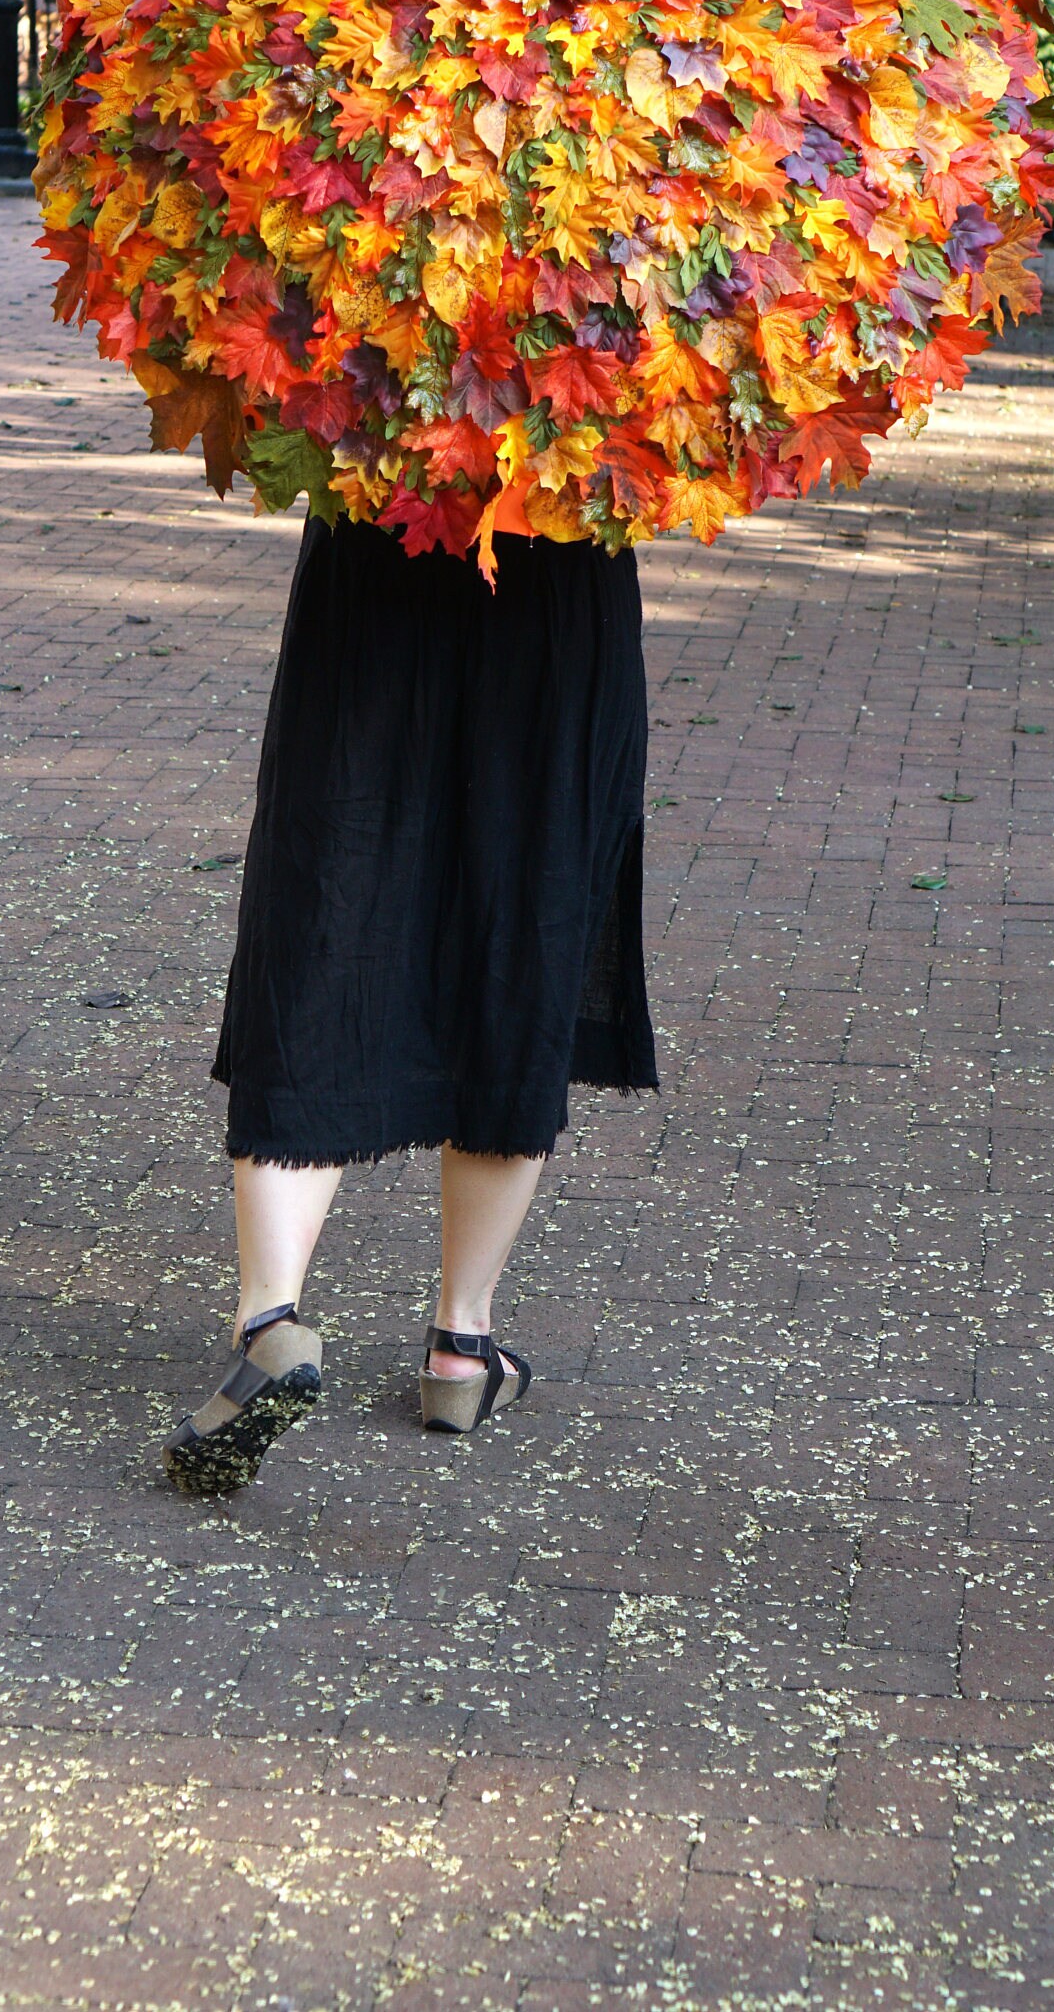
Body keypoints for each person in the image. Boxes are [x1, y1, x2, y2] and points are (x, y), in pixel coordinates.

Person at [162, 507, 654, 1498]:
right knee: (524, 923)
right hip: (557, 566)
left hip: (378, 544)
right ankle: (459, 1353)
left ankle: (270, 1321)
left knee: (324, 910)